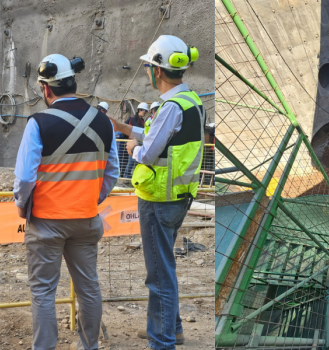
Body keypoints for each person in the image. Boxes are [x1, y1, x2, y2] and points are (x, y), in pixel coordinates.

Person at [13, 54, 119, 350]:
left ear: (46, 89)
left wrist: (23, 206)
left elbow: (24, 178)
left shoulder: (38, 123)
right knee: (88, 288)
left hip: (46, 221)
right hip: (86, 220)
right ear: (73, 82)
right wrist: (91, 199)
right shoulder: (103, 122)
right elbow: (113, 172)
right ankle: (89, 346)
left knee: (44, 293)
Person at [109, 35, 203, 350]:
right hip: (178, 198)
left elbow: (148, 153)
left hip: (158, 201)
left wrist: (133, 146)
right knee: (165, 266)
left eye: (149, 66)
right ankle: (170, 329)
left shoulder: (171, 107)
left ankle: (162, 342)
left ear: (157, 71)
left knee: (158, 275)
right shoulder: (190, 100)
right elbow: (160, 136)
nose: (148, 71)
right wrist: (124, 128)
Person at [124, 103, 150, 178]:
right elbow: (137, 128)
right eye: (143, 110)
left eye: (146, 111)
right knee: (131, 161)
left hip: (138, 143)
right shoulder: (133, 119)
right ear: (139, 110)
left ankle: (131, 177)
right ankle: (126, 177)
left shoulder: (142, 120)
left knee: (136, 162)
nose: (144, 112)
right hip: (132, 142)